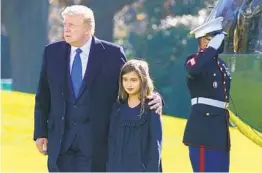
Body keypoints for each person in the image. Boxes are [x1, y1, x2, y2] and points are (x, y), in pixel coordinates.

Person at [33, 5, 162, 172]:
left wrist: (155, 98)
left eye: (72, 25)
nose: (66, 29)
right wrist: (40, 132)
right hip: (60, 142)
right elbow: (43, 95)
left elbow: (131, 83)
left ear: (87, 29)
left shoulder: (112, 53)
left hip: (96, 144)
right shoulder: (52, 52)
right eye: (65, 24)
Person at [183, 17, 232, 172]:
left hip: (220, 130)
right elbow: (193, 69)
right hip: (204, 129)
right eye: (215, 39)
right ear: (204, 41)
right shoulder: (193, 60)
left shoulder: (221, 65)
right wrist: (210, 50)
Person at [107, 59, 162, 172]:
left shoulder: (151, 107)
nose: (129, 84)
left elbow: (155, 146)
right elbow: (112, 142)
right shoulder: (117, 108)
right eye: (125, 79)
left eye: (134, 80)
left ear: (143, 80)